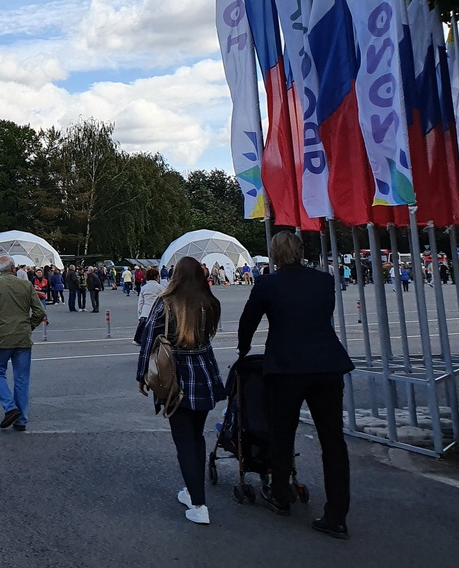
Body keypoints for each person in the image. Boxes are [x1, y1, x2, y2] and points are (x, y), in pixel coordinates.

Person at [238, 231, 354, 540]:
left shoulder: (268, 284)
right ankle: (337, 513)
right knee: (333, 441)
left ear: (274, 255)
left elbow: (249, 320)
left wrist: (243, 348)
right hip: (328, 364)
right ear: (301, 251)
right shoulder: (323, 281)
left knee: (281, 432)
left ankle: (279, 494)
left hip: (287, 367)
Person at [136, 256, 227, 526]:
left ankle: (199, 504)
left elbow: (148, 340)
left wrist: (141, 375)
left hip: (175, 374)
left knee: (183, 440)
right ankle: (192, 490)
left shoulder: (165, 303)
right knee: (197, 437)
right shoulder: (209, 303)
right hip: (204, 372)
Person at [0, 255, 46, 431]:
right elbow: (40, 311)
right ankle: (22, 419)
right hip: (23, 337)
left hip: (1, 337)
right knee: (22, 378)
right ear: (13, 268)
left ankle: (10, 406)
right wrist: (29, 326)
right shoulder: (26, 285)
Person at [133, 266, 164, 345]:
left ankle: (138, 340)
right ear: (156, 277)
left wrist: (139, 313)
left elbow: (140, 302)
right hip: (156, 311)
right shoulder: (161, 288)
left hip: (145, 311)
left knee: (142, 328)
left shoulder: (144, 288)